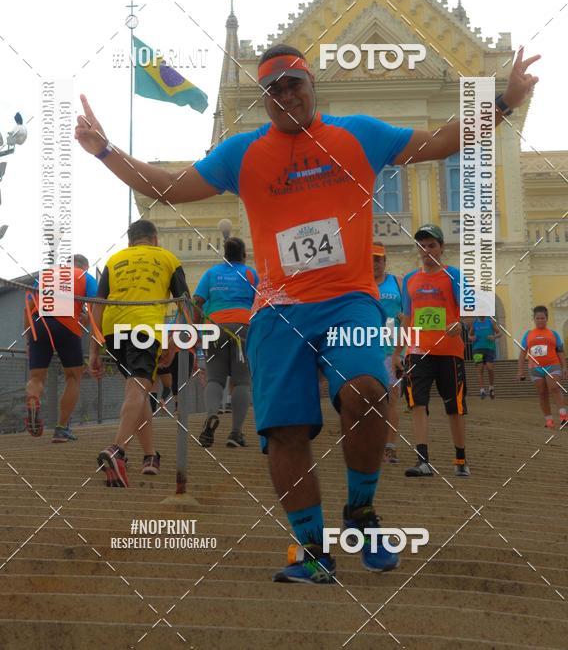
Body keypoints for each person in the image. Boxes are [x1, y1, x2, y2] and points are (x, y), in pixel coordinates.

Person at [76, 42, 538, 582]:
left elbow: (440, 141)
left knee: (369, 392)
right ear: (264, 97)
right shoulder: (243, 153)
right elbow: (168, 186)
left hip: (348, 301)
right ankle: (312, 549)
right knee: (286, 431)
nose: (285, 95)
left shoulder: (358, 134)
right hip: (278, 311)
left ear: (311, 84)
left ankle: (360, 510)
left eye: (293, 83)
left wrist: (504, 102)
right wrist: (105, 150)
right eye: (273, 89)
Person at [89, 220, 192, 486]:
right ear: (155, 238)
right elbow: (186, 306)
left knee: (138, 388)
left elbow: (97, 304)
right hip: (145, 327)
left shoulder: (115, 260)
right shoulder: (168, 258)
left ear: (130, 241)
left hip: (112, 329)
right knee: (137, 387)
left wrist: (94, 349)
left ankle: (150, 456)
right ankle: (117, 450)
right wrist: (176, 342)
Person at [402, 225, 470, 478]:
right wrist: (400, 351)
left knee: (454, 406)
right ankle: (422, 461)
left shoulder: (455, 276)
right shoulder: (409, 279)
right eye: (422, 246)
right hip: (417, 351)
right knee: (417, 403)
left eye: (432, 245)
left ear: (441, 248)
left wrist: (461, 324)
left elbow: (471, 311)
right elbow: (407, 317)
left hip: (449, 352)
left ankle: (460, 459)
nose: (427, 250)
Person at [24, 254, 97, 442]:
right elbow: (96, 307)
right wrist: (87, 322)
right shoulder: (85, 276)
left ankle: (33, 400)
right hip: (67, 324)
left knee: (36, 377)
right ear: (84, 267)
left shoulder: (47, 274)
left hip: (39, 322)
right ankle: (61, 428)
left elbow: (28, 307)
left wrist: (29, 340)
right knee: (73, 377)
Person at [194, 236, 258, 449]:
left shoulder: (211, 273)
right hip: (243, 326)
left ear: (225, 255)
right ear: (244, 256)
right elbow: (263, 302)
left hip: (214, 326)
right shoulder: (250, 273)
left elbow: (197, 301)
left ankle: (212, 414)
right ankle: (235, 434)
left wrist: (195, 329)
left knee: (214, 379)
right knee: (241, 382)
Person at [372, 242, 403, 463]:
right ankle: (372, 444)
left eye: (378, 259)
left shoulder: (398, 283)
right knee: (371, 399)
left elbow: (409, 313)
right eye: (370, 260)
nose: (374, 264)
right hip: (367, 349)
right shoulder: (360, 285)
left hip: (392, 351)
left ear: (384, 261)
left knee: (392, 398)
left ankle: (390, 446)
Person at [518, 306, 567, 429]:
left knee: (554, 388)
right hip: (535, 368)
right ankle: (548, 420)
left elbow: (560, 351)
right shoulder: (528, 334)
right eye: (538, 318)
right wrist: (520, 370)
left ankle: (563, 416)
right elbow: (523, 353)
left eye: (542, 318)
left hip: (552, 365)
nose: (540, 320)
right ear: (534, 319)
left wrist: (564, 367)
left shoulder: (553, 334)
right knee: (542, 393)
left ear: (547, 318)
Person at [468, 315, 502, 398]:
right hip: (477, 349)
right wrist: (472, 338)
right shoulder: (474, 323)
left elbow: (500, 333)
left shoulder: (490, 322)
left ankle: (491, 388)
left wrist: (494, 337)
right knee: (480, 369)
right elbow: (469, 335)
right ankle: (482, 390)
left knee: (490, 368)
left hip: (489, 349)